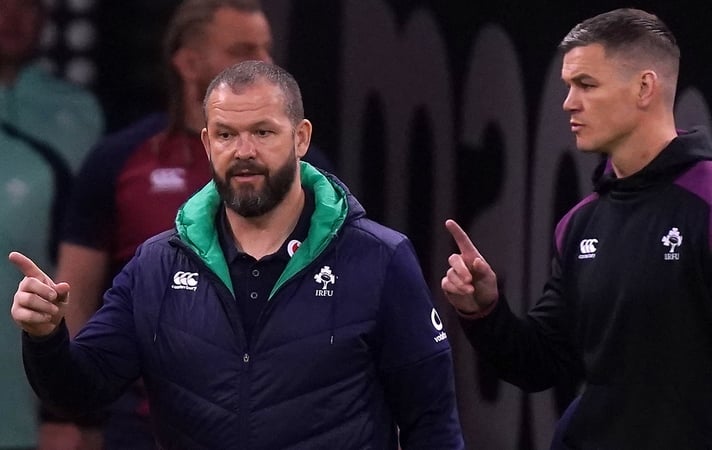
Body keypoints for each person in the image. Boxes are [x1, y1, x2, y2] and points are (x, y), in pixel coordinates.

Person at [10, 59, 464, 449]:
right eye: (227, 135)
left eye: (263, 132)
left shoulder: (381, 259)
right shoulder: (156, 266)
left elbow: (433, 421)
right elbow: (79, 391)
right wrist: (46, 337)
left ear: (301, 138)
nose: (244, 152)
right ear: (208, 144)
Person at [441, 8, 712, 449]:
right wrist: (486, 312)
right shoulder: (581, 223)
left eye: (586, 85)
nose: (568, 102)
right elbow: (542, 363)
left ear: (645, 87)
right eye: (569, 86)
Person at [51, 0, 334, 447]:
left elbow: (345, 291)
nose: (265, 64)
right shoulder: (118, 161)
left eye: (267, 48)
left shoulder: (304, 170)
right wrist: (64, 418)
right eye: (244, 49)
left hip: (277, 421)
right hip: (139, 423)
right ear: (188, 63)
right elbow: (74, 298)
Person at [0, 0, 104, 447]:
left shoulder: (81, 114)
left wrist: (68, 405)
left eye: (26, 4)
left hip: (39, 381)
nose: (12, 16)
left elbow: (92, 269)